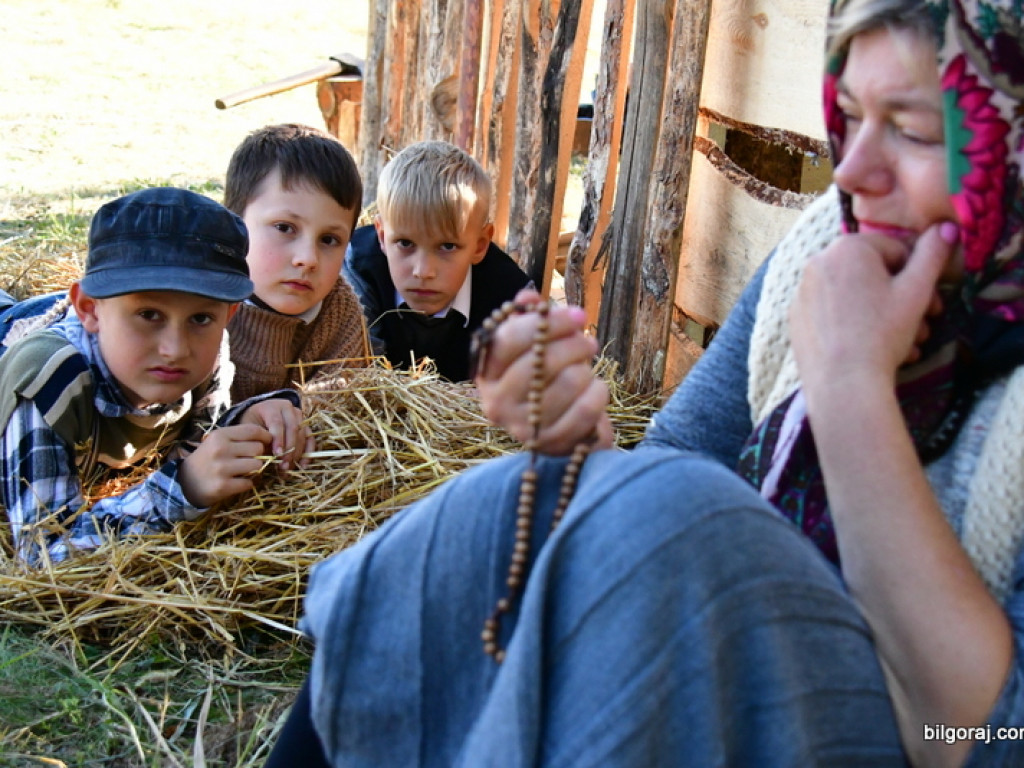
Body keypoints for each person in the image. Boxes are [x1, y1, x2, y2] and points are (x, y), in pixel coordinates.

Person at [266, 0, 1024, 764]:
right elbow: (673, 464)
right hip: (736, 644)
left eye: (916, 129)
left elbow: (994, 737)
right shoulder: (826, 247)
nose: (852, 172)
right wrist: (578, 446)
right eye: (850, 115)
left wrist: (851, 388)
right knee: (494, 512)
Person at [0, 188, 311, 565]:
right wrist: (181, 490)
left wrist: (250, 418)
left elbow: (200, 445)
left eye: (200, 318)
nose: (176, 348)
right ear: (89, 309)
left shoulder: (205, 354)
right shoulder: (49, 378)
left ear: (227, 317)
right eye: (149, 314)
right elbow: (41, 555)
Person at [343, 140, 533, 382]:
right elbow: (358, 377)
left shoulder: (510, 298)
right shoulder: (357, 272)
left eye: (447, 246)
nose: (423, 271)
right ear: (382, 236)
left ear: (479, 245)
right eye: (405, 243)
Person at [223, 123, 369, 402]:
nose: (308, 259)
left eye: (329, 240)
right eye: (284, 227)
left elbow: (338, 411)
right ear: (233, 223)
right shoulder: (202, 303)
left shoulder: (340, 315)